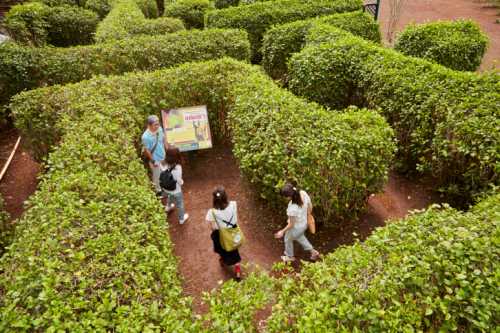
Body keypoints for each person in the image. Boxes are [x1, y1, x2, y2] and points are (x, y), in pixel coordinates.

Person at [275, 183, 320, 262]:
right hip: (304, 224)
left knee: (287, 238)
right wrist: (308, 215)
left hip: (296, 227)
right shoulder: (303, 193)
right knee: (300, 237)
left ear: (289, 197)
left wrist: (282, 232)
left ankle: (290, 257)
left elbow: (291, 224)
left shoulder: (292, 208)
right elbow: (310, 206)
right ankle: (314, 252)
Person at [205, 186, 242, 280]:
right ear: (225, 196)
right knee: (234, 250)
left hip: (221, 234)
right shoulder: (234, 204)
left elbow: (213, 227)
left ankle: (222, 260)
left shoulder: (212, 212)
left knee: (222, 249)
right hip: (233, 232)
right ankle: (238, 272)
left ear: (214, 199)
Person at [162, 147, 189, 224]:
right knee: (180, 204)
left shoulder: (163, 164)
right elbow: (178, 180)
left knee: (170, 196)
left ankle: (168, 207)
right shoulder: (177, 167)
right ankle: (181, 219)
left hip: (166, 188)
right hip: (176, 190)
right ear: (177, 156)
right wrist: (182, 182)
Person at [141, 115, 166, 196]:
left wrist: (167, 150)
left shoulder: (160, 129)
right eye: (155, 124)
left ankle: (165, 189)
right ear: (149, 125)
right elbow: (147, 150)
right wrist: (153, 160)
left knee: (165, 173)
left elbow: (163, 139)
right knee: (156, 176)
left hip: (163, 156)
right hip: (155, 159)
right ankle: (158, 192)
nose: (157, 126)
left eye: (158, 124)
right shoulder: (145, 137)